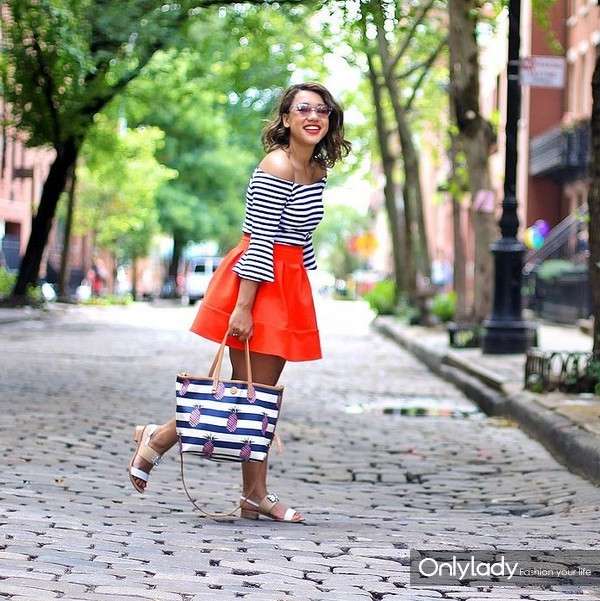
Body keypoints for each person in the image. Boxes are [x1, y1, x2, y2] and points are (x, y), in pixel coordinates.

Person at [128, 82, 351, 523]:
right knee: (250, 395)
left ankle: (250, 493)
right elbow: (262, 237)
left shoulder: (317, 171)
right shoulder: (277, 163)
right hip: (258, 280)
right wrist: (245, 306)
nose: (313, 116)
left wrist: (303, 283)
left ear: (329, 122)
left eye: (322, 110)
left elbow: (300, 237)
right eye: (303, 108)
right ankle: (162, 440)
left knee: (257, 397)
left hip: (287, 285)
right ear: (285, 119)